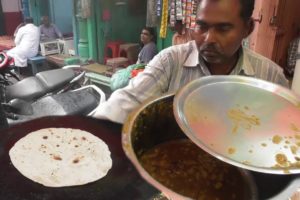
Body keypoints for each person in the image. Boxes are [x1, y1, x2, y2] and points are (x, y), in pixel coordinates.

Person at [93, 0, 289, 124]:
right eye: (202, 26)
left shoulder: (270, 76)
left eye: (223, 29)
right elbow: (128, 101)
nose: (208, 38)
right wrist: (93, 131)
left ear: (247, 29)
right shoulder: (170, 61)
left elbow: (284, 130)